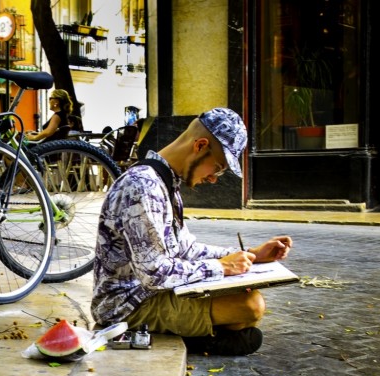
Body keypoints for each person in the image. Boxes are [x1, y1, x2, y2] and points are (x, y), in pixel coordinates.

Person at [91, 107, 293, 356]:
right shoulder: (143, 186)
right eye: (218, 167)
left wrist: (249, 254)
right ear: (199, 146)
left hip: (155, 293)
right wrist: (222, 267)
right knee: (250, 306)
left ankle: (201, 336)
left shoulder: (165, 183)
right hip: (127, 305)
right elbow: (154, 273)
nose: (213, 179)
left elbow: (186, 248)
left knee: (247, 301)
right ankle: (199, 339)